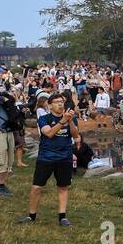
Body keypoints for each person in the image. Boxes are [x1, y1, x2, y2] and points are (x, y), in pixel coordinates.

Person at [17, 92, 79, 227]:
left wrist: (69, 121)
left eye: (62, 102)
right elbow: (49, 133)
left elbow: (75, 135)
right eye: (57, 102)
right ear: (50, 105)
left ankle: (62, 217)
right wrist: (62, 122)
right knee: (37, 187)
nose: (60, 104)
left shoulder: (70, 118)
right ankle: (31, 216)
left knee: (63, 187)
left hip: (64, 157)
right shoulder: (44, 118)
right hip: (46, 157)